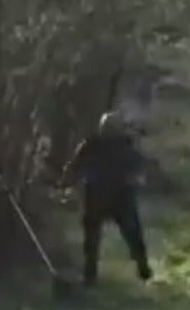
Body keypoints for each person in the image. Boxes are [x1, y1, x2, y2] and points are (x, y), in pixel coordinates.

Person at [64, 111, 153, 286]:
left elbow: (75, 167)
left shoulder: (92, 145)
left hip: (101, 195)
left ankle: (91, 276)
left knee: (94, 236)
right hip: (116, 196)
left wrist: (68, 182)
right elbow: (138, 171)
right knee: (131, 233)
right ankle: (142, 269)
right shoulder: (119, 146)